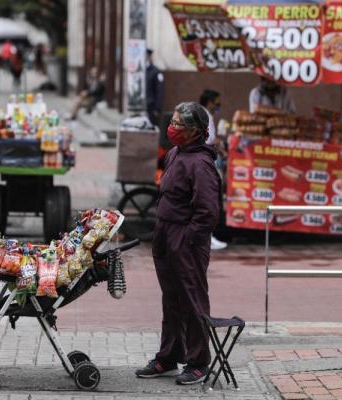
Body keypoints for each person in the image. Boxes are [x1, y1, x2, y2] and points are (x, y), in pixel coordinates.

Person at [135, 102, 220, 385]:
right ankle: (168, 356)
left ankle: (198, 362)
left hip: (185, 240)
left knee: (192, 299)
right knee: (171, 299)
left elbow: (208, 212)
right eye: (171, 121)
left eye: (178, 124)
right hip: (165, 235)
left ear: (195, 131)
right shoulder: (174, 154)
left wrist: (188, 238)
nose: (172, 128)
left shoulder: (202, 164)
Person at [198, 89, 229, 251]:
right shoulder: (205, 116)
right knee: (208, 202)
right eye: (217, 102)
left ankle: (208, 237)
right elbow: (209, 140)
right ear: (209, 102)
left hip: (205, 162)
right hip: (206, 163)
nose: (218, 106)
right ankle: (207, 238)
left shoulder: (205, 115)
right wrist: (219, 144)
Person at [146, 49, 164, 128]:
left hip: (151, 107)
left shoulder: (155, 72)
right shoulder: (140, 71)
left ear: (149, 57)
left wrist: (157, 108)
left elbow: (160, 91)